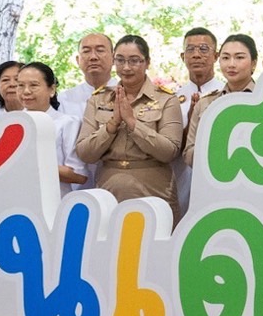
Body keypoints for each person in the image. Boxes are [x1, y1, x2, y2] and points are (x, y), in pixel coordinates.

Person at [77, 35, 184, 209]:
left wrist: (133, 123)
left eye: (134, 61)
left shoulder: (166, 99)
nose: (126, 67)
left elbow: (169, 151)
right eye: (120, 60)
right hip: (108, 193)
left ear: (147, 62)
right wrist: (112, 125)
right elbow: (85, 153)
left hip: (154, 193)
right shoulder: (99, 99)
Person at [183, 35, 259, 169]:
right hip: (214, 183)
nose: (231, 64)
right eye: (225, 58)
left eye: (239, 57)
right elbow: (188, 154)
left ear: (254, 62)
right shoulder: (205, 104)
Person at [15, 62, 88, 192]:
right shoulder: (12, 124)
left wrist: (37, 164)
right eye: (20, 85)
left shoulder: (67, 123)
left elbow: (79, 175)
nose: (26, 91)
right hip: (17, 199)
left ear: (52, 89)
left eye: (34, 85)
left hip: (53, 200)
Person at [173, 27, 222, 215]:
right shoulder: (173, 99)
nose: (196, 55)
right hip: (181, 178)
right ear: (182, 56)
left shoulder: (226, 94)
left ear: (216, 55)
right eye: (190, 50)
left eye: (203, 49)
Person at [58, 32, 114, 119]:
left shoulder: (127, 93)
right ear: (77, 60)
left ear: (113, 58)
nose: (93, 57)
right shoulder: (64, 99)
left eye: (100, 50)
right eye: (86, 51)